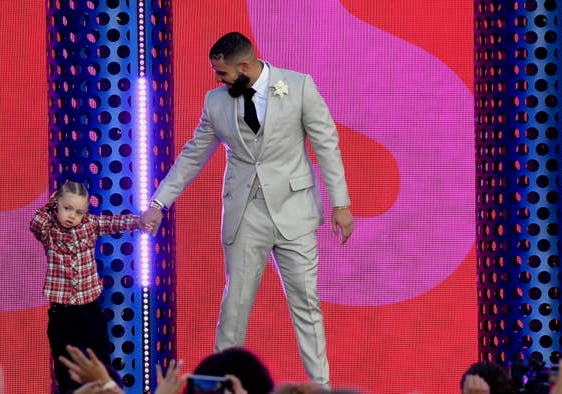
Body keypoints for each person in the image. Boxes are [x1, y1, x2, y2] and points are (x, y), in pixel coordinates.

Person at [140, 31, 354, 388]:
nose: (218, 80)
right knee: (234, 308)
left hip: (295, 211)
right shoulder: (216, 102)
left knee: (307, 306)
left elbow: (326, 144)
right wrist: (159, 201)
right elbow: (194, 154)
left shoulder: (299, 86)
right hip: (246, 214)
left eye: (222, 74)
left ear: (244, 65)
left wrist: (341, 204)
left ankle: (321, 387)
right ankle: (220, 384)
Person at [30, 181, 142, 393]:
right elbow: (35, 221)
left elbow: (115, 223)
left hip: (90, 309)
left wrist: (139, 221)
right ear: (57, 205)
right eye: (67, 208)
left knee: (101, 362)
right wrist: (51, 204)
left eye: (79, 212)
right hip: (62, 313)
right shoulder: (49, 230)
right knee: (65, 369)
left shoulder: (89, 225)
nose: (72, 215)